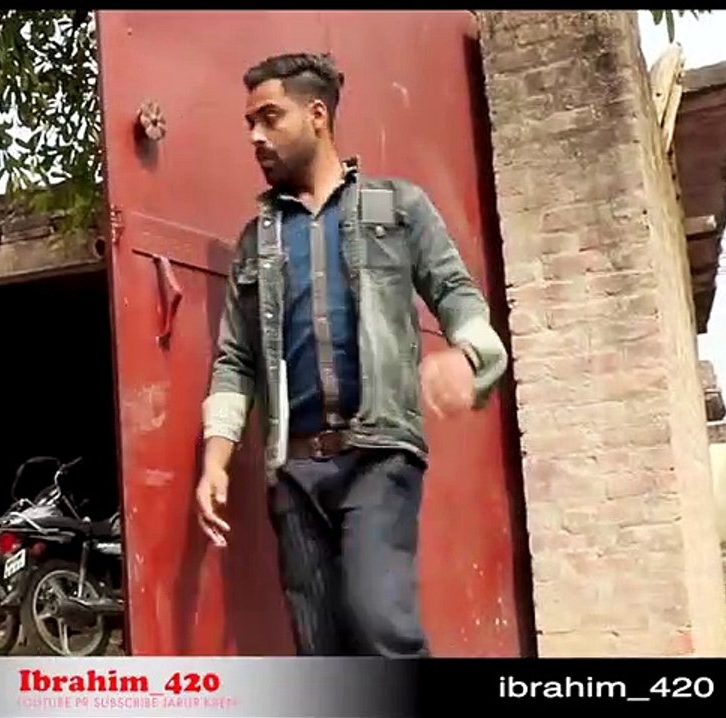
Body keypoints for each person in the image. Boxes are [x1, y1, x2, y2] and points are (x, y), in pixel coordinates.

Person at [194, 53, 509, 657]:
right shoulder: (256, 241)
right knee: (321, 653)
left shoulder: (398, 207)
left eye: (269, 117)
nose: (255, 135)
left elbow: (458, 295)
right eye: (249, 123)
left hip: (378, 457)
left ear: (317, 115)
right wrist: (216, 462)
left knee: (379, 624)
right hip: (294, 472)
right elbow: (235, 359)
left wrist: (469, 358)